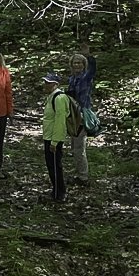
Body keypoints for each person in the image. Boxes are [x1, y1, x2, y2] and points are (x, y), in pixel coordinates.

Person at [40, 74, 77, 205]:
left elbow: (60, 121)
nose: (46, 84)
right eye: (45, 82)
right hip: (49, 136)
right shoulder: (52, 97)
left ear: (56, 84)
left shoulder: (59, 98)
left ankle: (59, 194)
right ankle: (56, 191)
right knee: (51, 166)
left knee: (55, 167)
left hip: (53, 138)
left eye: (49, 82)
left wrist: (55, 141)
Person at [66, 51, 97, 182]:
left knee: (79, 147)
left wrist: (89, 57)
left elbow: (92, 70)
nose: (77, 65)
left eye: (79, 62)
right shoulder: (72, 79)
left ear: (84, 65)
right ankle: (78, 172)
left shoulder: (86, 77)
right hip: (72, 114)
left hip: (82, 115)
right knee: (74, 146)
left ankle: (83, 176)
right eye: (75, 63)